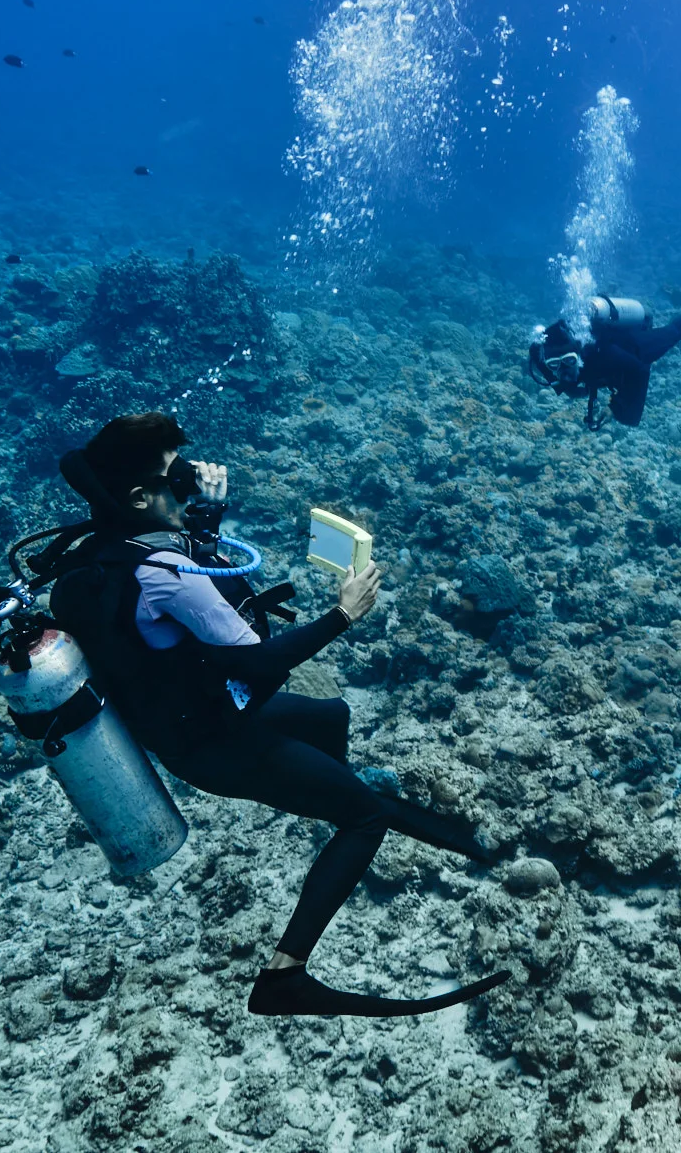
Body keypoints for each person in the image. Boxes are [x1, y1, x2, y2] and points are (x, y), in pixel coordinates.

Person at [41, 412, 509, 1017]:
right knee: (366, 818)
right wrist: (342, 616)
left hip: (183, 721)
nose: (188, 485)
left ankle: (328, 797)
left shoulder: (100, 551)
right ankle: (285, 977)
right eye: (174, 479)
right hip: (212, 744)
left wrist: (202, 516)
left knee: (331, 715)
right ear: (137, 496)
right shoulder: (168, 576)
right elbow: (259, 664)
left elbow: (161, 605)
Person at [528, 295, 681, 428]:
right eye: (556, 366)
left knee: (672, 332)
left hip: (632, 346)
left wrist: (615, 408)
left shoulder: (606, 354)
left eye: (568, 361)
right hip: (606, 361)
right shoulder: (543, 358)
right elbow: (544, 362)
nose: (564, 371)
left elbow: (640, 370)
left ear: (579, 355)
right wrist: (564, 382)